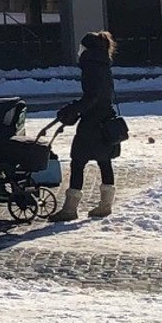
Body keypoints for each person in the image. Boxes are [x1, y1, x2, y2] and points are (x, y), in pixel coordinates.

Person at [52, 31, 122, 220]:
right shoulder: (104, 64)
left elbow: (92, 96)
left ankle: (70, 209)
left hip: (92, 123)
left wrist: (74, 109)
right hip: (106, 120)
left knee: (78, 161)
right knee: (104, 161)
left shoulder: (91, 66)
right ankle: (105, 205)